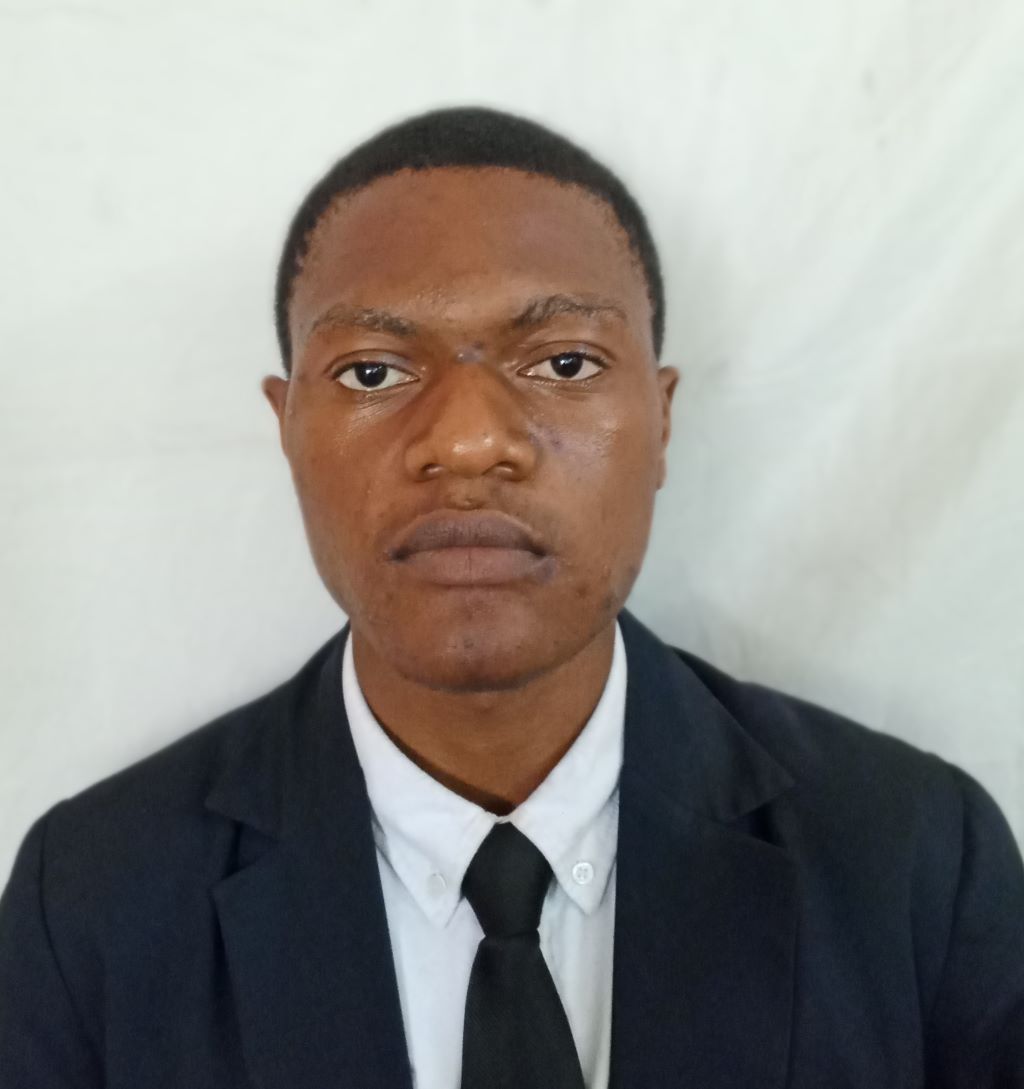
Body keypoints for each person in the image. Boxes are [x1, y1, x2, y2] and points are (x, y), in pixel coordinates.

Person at [1, 106, 1022, 1089]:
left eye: (565, 361)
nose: (467, 442)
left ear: (662, 421)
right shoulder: (92, 899)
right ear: (287, 427)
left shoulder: (914, 861)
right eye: (371, 373)